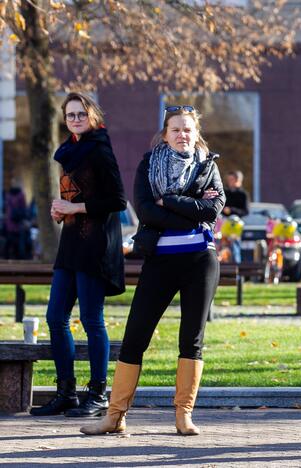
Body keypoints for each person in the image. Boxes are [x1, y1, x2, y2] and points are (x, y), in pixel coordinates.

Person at [80, 105, 224, 436]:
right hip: (159, 260)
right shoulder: (149, 165)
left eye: (188, 129)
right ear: (165, 134)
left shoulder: (208, 166)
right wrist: (189, 211)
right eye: (176, 129)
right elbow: (146, 211)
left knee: (192, 339)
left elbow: (211, 210)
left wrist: (169, 201)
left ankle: (183, 414)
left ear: (195, 133)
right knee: (134, 338)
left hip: (201, 261)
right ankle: (114, 416)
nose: (182, 134)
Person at [30, 92, 127, 417]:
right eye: (70, 115)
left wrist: (76, 207)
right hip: (71, 244)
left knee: (90, 320)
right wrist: (62, 211)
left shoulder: (100, 149)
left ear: (93, 116)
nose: (75, 119)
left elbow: (118, 201)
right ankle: (66, 393)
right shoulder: (69, 150)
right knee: (55, 318)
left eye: (80, 114)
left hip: (95, 246)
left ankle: (97, 394)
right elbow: (74, 193)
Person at [222, 171, 248, 263]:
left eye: (231, 179)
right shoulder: (225, 192)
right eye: (228, 179)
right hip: (224, 222)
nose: (229, 182)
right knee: (221, 245)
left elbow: (245, 211)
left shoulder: (242, 194)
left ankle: (236, 271)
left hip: (236, 225)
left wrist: (231, 210)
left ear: (238, 180)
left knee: (235, 246)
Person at [4, 178, 30, 259]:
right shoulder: (19, 195)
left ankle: (14, 258)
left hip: (15, 223)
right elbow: (23, 209)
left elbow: (22, 208)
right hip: (14, 223)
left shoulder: (10, 195)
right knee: (13, 244)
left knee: (15, 244)